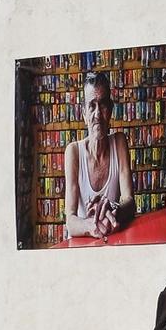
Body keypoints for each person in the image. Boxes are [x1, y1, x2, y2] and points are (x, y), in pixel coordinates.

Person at [63, 72, 135, 240]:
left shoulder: (119, 142)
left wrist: (114, 209)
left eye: (102, 105)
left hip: (112, 239)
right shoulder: (73, 152)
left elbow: (130, 202)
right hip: (83, 244)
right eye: (92, 106)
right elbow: (71, 222)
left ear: (110, 110)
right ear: (84, 114)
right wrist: (93, 224)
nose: (97, 114)